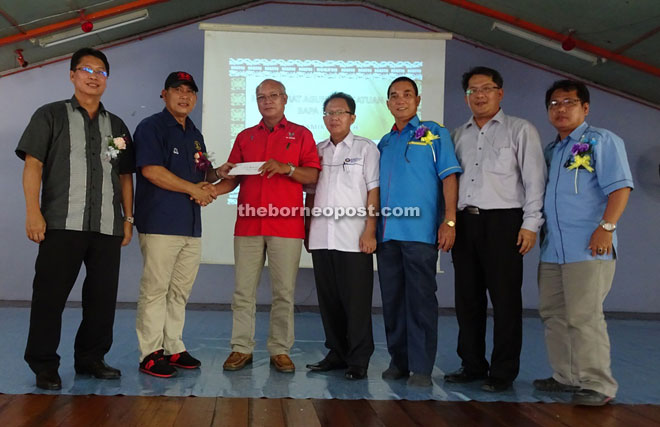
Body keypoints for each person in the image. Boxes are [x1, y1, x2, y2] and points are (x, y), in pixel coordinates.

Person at [16, 47, 135, 390]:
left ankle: (91, 359)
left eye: (101, 71)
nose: (94, 76)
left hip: (108, 226)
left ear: (106, 80)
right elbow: (33, 165)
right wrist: (32, 212)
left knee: (101, 299)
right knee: (49, 297)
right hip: (59, 224)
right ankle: (44, 365)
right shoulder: (49, 115)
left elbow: (126, 175)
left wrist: (128, 219)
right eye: (86, 69)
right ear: (72, 75)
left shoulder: (118, 125)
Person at [445, 66, 547, 392]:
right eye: (473, 90)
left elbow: (535, 181)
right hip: (465, 223)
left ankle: (502, 372)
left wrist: (530, 225)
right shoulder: (458, 135)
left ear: (500, 93)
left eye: (486, 88)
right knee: (467, 300)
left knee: (505, 301)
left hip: (504, 223)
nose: (479, 95)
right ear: (466, 97)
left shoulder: (521, 130)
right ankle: (472, 365)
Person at [534, 80, 633, 406]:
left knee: (585, 316)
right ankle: (566, 377)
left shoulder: (601, 141)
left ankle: (598, 384)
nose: (561, 109)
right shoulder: (552, 150)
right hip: (553, 250)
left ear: (585, 108)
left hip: (588, 247)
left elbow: (620, 188)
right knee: (553, 314)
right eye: (554, 104)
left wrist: (606, 227)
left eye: (568, 102)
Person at [214, 79, 320, 373]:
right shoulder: (245, 136)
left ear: (285, 99)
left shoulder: (301, 134)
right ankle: (241, 348)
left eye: (273, 96)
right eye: (261, 97)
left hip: (286, 225)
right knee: (243, 292)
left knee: (284, 292)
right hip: (248, 225)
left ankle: (280, 350)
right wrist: (212, 186)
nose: (267, 101)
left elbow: (312, 176)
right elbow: (231, 178)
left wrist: (286, 168)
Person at [377, 76, 462, 387]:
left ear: (417, 100)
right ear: (387, 103)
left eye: (407, 95)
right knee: (393, 301)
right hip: (386, 235)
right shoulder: (385, 142)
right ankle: (399, 361)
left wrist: (449, 220)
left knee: (421, 301)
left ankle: (422, 367)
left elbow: (449, 178)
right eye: (394, 96)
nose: (401, 100)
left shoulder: (433, 133)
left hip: (420, 233)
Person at [133, 71, 219, 377]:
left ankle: (173, 346)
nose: (184, 96)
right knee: (156, 289)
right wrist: (193, 189)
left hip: (190, 225)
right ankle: (150, 353)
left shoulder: (194, 133)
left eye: (190, 92)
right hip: (160, 222)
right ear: (164, 94)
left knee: (179, 291)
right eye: (177, 90)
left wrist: (222, 172)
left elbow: (203, 172)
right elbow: (151, 171)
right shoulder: (151, 127)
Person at [304, 92, 379, 380]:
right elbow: (310, 194)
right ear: (323, 117)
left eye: (340, 113)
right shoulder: (317, 150)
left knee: (356, 302)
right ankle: (336, 353)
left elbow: (374, 190)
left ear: (352, 117)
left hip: (354, 237)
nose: (334, 118)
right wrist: (307, 229)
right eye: (329, 113)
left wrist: (370, 229)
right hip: (322, 236)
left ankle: (359, 359)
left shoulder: (365, 149)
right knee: (329, 300)